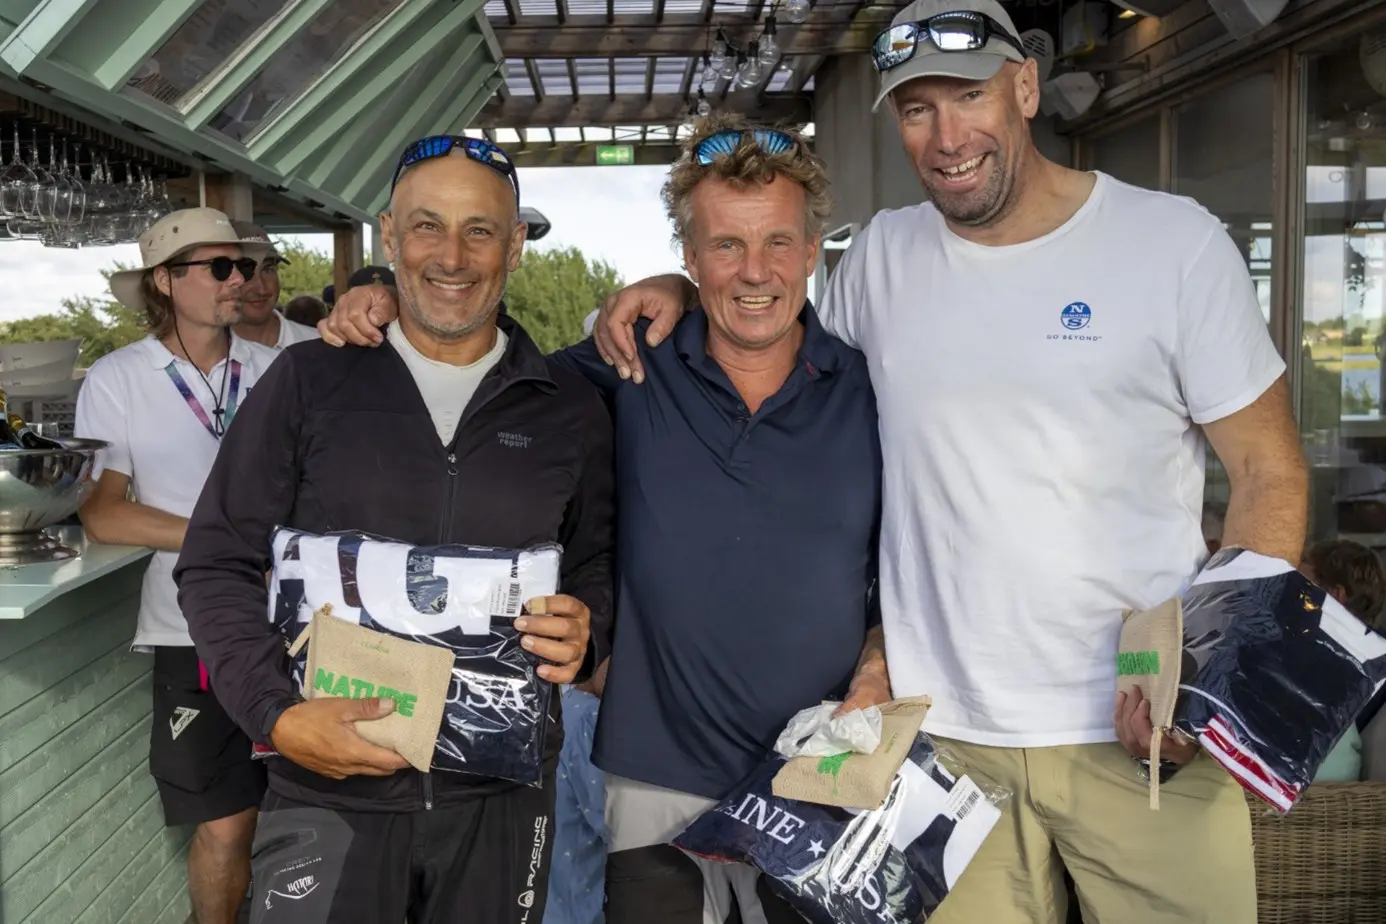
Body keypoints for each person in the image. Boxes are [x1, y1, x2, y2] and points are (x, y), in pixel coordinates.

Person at [590, 1, 1311, 920]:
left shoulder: (1174, 245)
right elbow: (771, 338)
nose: (946, 136)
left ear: (1026, 87)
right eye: (917, 108)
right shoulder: (882, 259)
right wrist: (681, 289)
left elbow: (1270, 474)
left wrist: (1208, 686)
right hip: (943, 745)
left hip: (1138, 729)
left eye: (969, 96)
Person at [317, 115, 887, 924]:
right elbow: (478, 368)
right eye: (726, 245)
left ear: (810, 250)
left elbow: (913, 562)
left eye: (777, 243)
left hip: (817, 772)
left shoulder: (870, 387)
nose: (754, 271)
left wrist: (879, 664)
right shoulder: (630, 361)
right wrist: (386, 305)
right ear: (689, 256)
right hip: (655, 777)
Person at [173, 136, 614, 924]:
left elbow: (596, 566)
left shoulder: (569, 406)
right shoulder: (309, 381)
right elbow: (215, 562)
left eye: (480, 230)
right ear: (388, 235)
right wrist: (275, 713)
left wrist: (588, 632)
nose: (452, 256)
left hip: (500, 802)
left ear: (515, 244)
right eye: (426, 226)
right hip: (327, 790)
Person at [74, 208, 278, 924]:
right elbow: (103, 514)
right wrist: (220, 543)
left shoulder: (277, 371)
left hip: (293, 625)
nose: (238, 279)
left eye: (243, 265)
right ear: (165, 281)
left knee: (295, 812)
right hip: (191, 631)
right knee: (224, 824)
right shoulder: (118, 378)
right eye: (218, 267)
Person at [229, 221, 320, 349]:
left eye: (268, 270)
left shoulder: (318, 345)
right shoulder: (206, 354)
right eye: (245, 272)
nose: (261, 289)